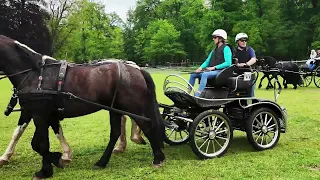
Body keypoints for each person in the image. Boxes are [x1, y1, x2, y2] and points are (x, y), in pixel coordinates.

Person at [188, 29, 232, 97]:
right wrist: (200, 68)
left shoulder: (226, 48)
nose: (213, 39)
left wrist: (214, 67)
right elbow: (207, 61)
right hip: (212, 71)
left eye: (215, 37)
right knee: (193, 74)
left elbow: (228, 63)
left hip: (221, 72)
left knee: (205, 74)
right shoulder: (214, 50)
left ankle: (198, 94)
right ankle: (188, 93)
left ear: (220, 39)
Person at [234, 32, 257, 97]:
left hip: (248, 73)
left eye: (245, 40)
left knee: (250, 93)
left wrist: (245, 64)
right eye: (242, 40)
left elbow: (253, 59)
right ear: (237, 41)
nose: (244, 42)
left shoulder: (250, 49)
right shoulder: (233, 51)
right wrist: (237, 64)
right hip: (236, 74)